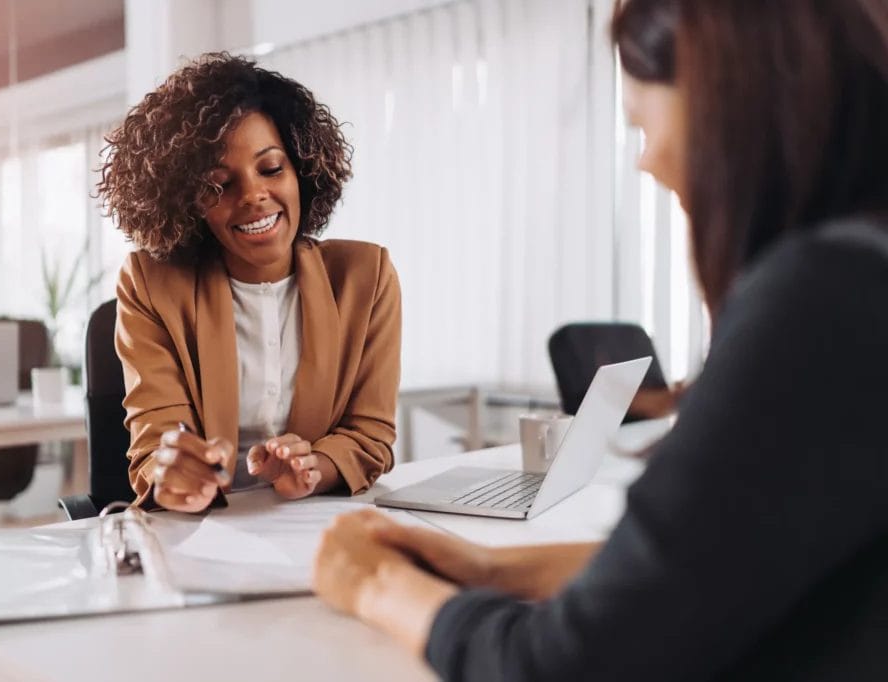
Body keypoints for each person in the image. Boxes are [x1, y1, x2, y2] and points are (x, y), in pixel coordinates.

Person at [313, 0, 888, 679]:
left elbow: (569, 666)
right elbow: (713, 565)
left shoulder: (821, 299)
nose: (648, 162)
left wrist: (375, 584)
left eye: (642, 124)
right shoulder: (860, 273)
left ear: (726, 105)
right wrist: (489, 567)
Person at [97, 54, 401, 512]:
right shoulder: (150, 283)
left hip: (313, 525)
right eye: (219, 185)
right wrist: (175, 473)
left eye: (271, 168)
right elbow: (155, 443)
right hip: (198, 534)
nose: (253, 196)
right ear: (188, 202)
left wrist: (314, 469)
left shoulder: (365, 277)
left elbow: (370, 434)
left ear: (302, 168)